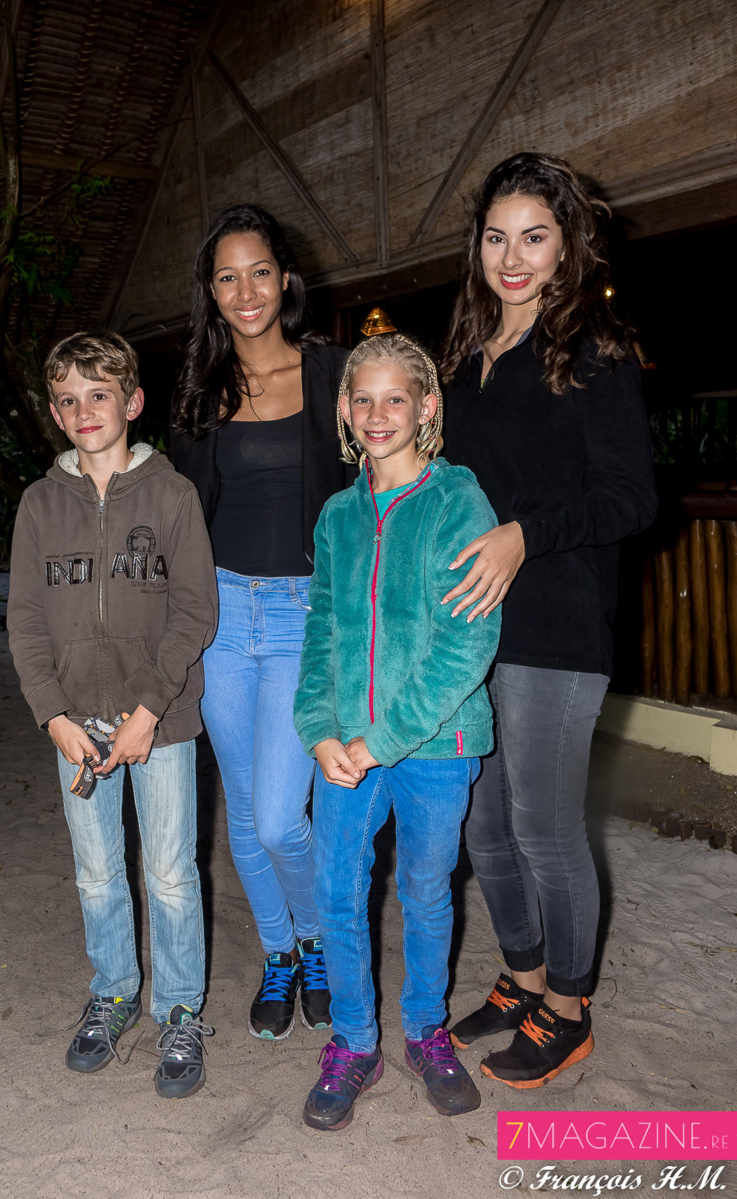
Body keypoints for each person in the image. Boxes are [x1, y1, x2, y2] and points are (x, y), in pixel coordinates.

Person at [440, 152, 657, 1088]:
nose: (512, 256)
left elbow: (631, 499)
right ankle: (522, 976)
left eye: (534, 236)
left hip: (557, 627)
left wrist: (524, 536)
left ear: (566, 244)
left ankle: (568, 1005)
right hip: (469, 630)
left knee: (541, 826)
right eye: (496, 237)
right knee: (480, 826)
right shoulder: (465, 359)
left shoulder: (594, 351)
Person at [293, 333, 501, 1131]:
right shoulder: (337, 515)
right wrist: (319, 730)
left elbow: (466, 643)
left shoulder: (457, 503)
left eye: (394, 398)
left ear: (426, 407)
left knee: (424, 888)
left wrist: (383, 738)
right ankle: (353, 1042)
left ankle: (423, 1029)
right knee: (336, 890)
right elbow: (319, 638)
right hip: (342, 749)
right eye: (363, 399)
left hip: (437, 744)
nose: (378, 414)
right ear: (344, 411)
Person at [7, 331, 218, 1099]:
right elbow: (25, 621)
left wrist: (149, 708)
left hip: (158, 722)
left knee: (169, 873)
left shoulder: (171, 495)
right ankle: (115, 989)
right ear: (56, 414)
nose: (83, 410)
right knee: (97, 873)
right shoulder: (39, 505)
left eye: (99, 394)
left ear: (131, 401)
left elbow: (195, 609)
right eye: (67, 399)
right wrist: (52, 715)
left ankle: (180, 1008)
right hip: (75, 726)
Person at [171, 205, 352, 1042]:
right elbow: (180, 511)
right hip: (218, 612)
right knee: (242, 815)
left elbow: (387, 469)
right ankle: (281, 952)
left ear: (284, 277)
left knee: (282, 815)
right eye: (225, 276)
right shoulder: (201, 390)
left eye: (258, 271)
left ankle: (317, 937)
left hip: (299, 615)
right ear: (210, 292)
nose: (244, 291)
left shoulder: (333, 374)